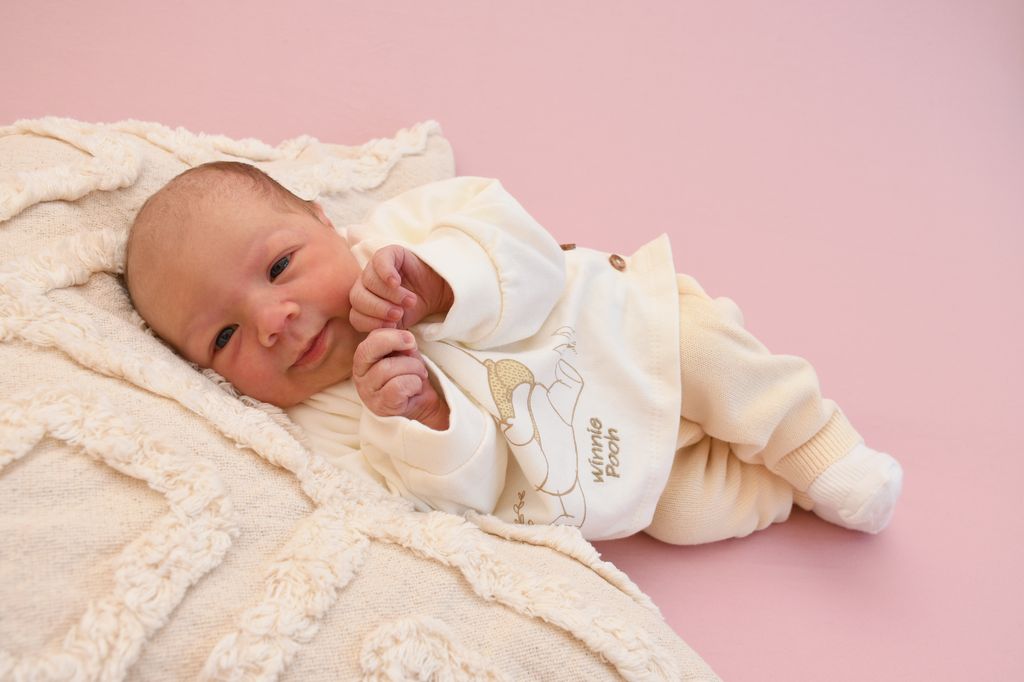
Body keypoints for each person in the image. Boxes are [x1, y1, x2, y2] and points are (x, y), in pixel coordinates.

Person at [124, 161, 903, 544]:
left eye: (278, 266)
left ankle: (815, 447)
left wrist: (440, 281)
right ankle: (785, 493)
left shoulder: (403, 232)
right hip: (580, 454)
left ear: (325, 222)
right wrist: (422, 418)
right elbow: (438, 505)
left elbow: (517, 243)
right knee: (677, 514)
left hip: (616, 334)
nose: (272, 320)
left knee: (712, 363)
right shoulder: (321, 426)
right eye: (223, 337)